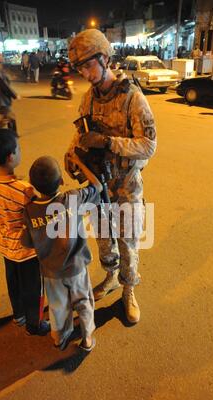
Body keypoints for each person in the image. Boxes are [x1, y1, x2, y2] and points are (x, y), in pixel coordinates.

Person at [65, 29, 157, 324]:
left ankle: (128, 290)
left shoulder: (133, 98)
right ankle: (112, 277)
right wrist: (71, 155)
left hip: (126, 186)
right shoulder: (88, 100)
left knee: (128, 241)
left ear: (105, 58)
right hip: (98, 185)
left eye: (88, 65)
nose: (84, 73)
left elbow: (149, 145)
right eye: (79, 68)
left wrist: (108, 143)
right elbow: (80, 134)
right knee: (104, 238)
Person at [22, 155, 102, 352]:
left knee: (58, 307)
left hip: (51, 273)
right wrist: (81, 162)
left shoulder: (30, 210)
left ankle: (59, 338)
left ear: (32, 185)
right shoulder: (72, 198)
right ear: (61, 181)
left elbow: (26, 242)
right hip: (76, 269)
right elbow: (98, 186)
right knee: (83, 302)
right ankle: (87, 339)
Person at [0, 129, 50, 336]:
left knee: (14, 283)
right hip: (27, 251)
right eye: (19, 148)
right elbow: (40, 216)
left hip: (6, 247)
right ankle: (35, 324)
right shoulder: (24, 190)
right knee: (33, 289)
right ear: (11, 157)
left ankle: (19, 316)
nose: (20, 151)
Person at [0, 51, 20, 135]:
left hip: (3, 97)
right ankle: (11, 134)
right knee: (10, 117)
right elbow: (3, 84)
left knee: (7, 118)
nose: (1, 56)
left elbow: (4, 81)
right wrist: (14, 95)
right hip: (1, 97)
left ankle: (11, 133)